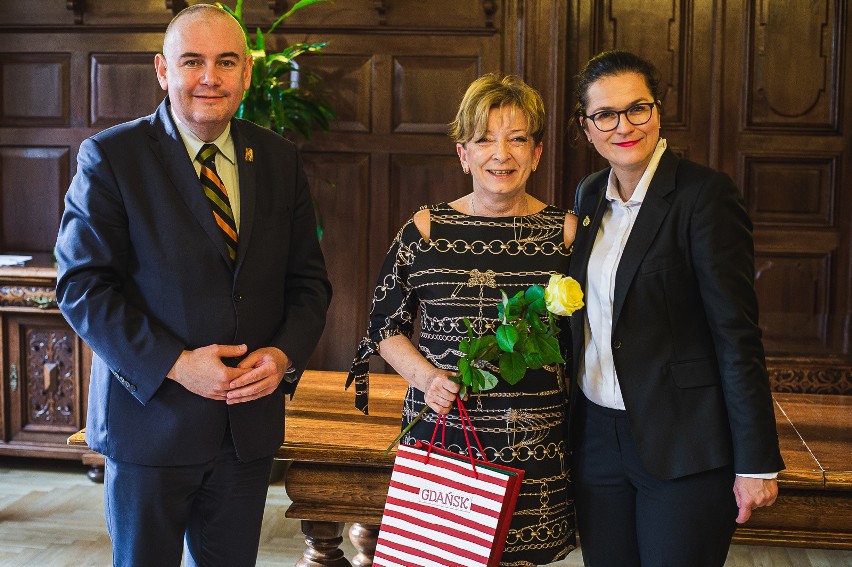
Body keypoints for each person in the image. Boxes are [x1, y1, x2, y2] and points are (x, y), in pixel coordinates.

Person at [54, 5, 331, 566]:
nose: (210, 77)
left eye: (226, 62)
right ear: (163, 70)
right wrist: (177, 363)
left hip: (245, 433)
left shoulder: (278, 159)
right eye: (192, 62)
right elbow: (82, 285)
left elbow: (309, 284)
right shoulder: (111, 158)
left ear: (246, 72)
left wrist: (281, 356)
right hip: (150, 427)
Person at [347, 74, 577, 565]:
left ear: (537, 154)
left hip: (534, 443)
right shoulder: (426, 228)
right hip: (446, 436)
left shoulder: (566, 233)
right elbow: (382, 328)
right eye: (484, 139)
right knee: (441, 555)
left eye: (518, 139)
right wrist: (427, 378)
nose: (502, 154)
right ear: (463, 154)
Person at [566, 49, 784, 567]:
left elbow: (737, 335)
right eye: (606, 115)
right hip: (599, 436)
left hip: (683, 441)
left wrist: (756, 461)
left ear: (658, 110)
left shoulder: (705, 196)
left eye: (637, 108)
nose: (624, 126)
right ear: (587, 127)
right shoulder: (589, 195)